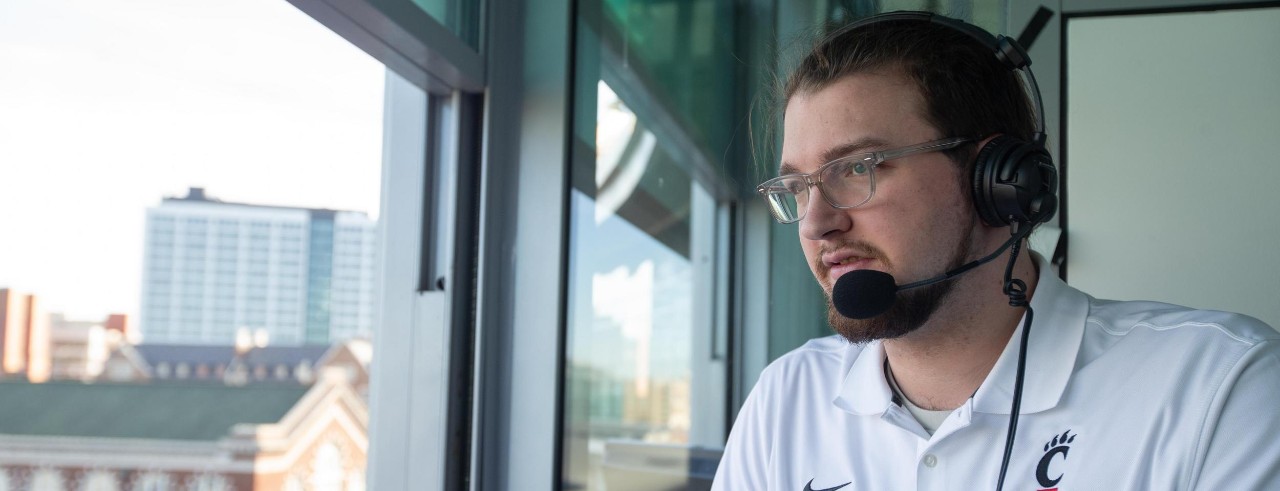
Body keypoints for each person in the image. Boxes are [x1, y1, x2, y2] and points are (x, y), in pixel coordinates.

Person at [712, 11, 1280, 490]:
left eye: (859, 168)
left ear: (998, 181)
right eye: (797, 187)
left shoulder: (1217, 386)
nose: (817, 223)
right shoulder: (787, 398)